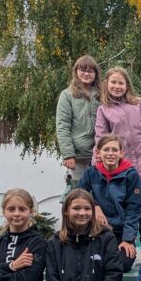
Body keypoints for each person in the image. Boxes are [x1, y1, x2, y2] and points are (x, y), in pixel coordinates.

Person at [94, 66, 141, 250]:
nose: (117, 86)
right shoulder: (104, 110)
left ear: (127, 85)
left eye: (121, 83)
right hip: (123, 168)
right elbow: (100, 138)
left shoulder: (139, 104)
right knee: (126, 207)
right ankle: (127, 245)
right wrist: (97, 165)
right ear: (106, 84)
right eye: (113, 82)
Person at [78, 134, 141, 272]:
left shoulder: (131, 175)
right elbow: (78, 195)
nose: (110, 153)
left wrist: (128, 240)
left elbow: (134, 209)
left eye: (114, 150)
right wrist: (94, 206)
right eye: (106, 149)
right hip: (96, 230)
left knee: (123, 264)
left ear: (121, 153)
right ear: (98, 152)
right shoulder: (91, 173)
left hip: (120, 232)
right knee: (87, 263)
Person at [56, 55, 101, 185]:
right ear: (76, 71)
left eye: (90, 71)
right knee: (80, 191)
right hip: (78, 155)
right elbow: (63, 126)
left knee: (100, 191)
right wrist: (68, 154)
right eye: (82, 70)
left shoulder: (102, 94)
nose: (86, 74)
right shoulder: (67, 95)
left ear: (95, 74)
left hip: (100, 154)